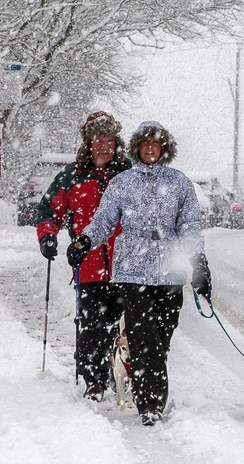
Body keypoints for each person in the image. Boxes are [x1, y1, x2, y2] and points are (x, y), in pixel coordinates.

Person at [67, 121, 212, 426]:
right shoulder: (122, 183)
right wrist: (85, 242)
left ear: (164, 148)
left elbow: (189, 226)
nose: (150, 148)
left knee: (162, 337)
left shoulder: (179, 183)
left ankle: (149, 387)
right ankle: (150, 405)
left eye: (155, 143)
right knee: (143, 337)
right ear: (136, 148)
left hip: (169, 272)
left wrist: (198, 262)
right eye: (145, 143)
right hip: (132, 272)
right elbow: (104, 221)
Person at [36, 111, 131, 401]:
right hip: (88, 264)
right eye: (98, 141)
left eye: (109, 141)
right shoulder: (72, 176)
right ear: (88, 142)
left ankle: (123, 375)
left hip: (127, 264)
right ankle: (94, 380)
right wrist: (47, 235)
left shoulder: (128, 173)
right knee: (91, 326)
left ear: (117, 143)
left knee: (126, 326)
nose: (104, 147)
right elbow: (48, 209)